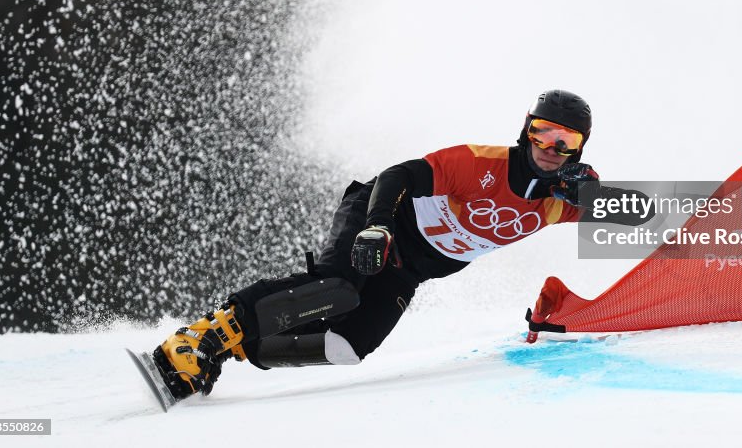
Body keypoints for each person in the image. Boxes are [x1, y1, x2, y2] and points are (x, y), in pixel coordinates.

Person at [149, 89, 650, 402]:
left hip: (407, 269)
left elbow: (642, 212)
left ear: (580, 147)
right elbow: (399, 174)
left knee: (346, 347)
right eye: (543, 133)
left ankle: (235, 348)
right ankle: (200, 339)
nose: (550, 149)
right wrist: (379, 225)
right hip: (377, 220)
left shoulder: (560, 201)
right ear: (526, 129)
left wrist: (592, 193)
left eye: (566, 141)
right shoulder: (483, 162)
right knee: (338, 287)